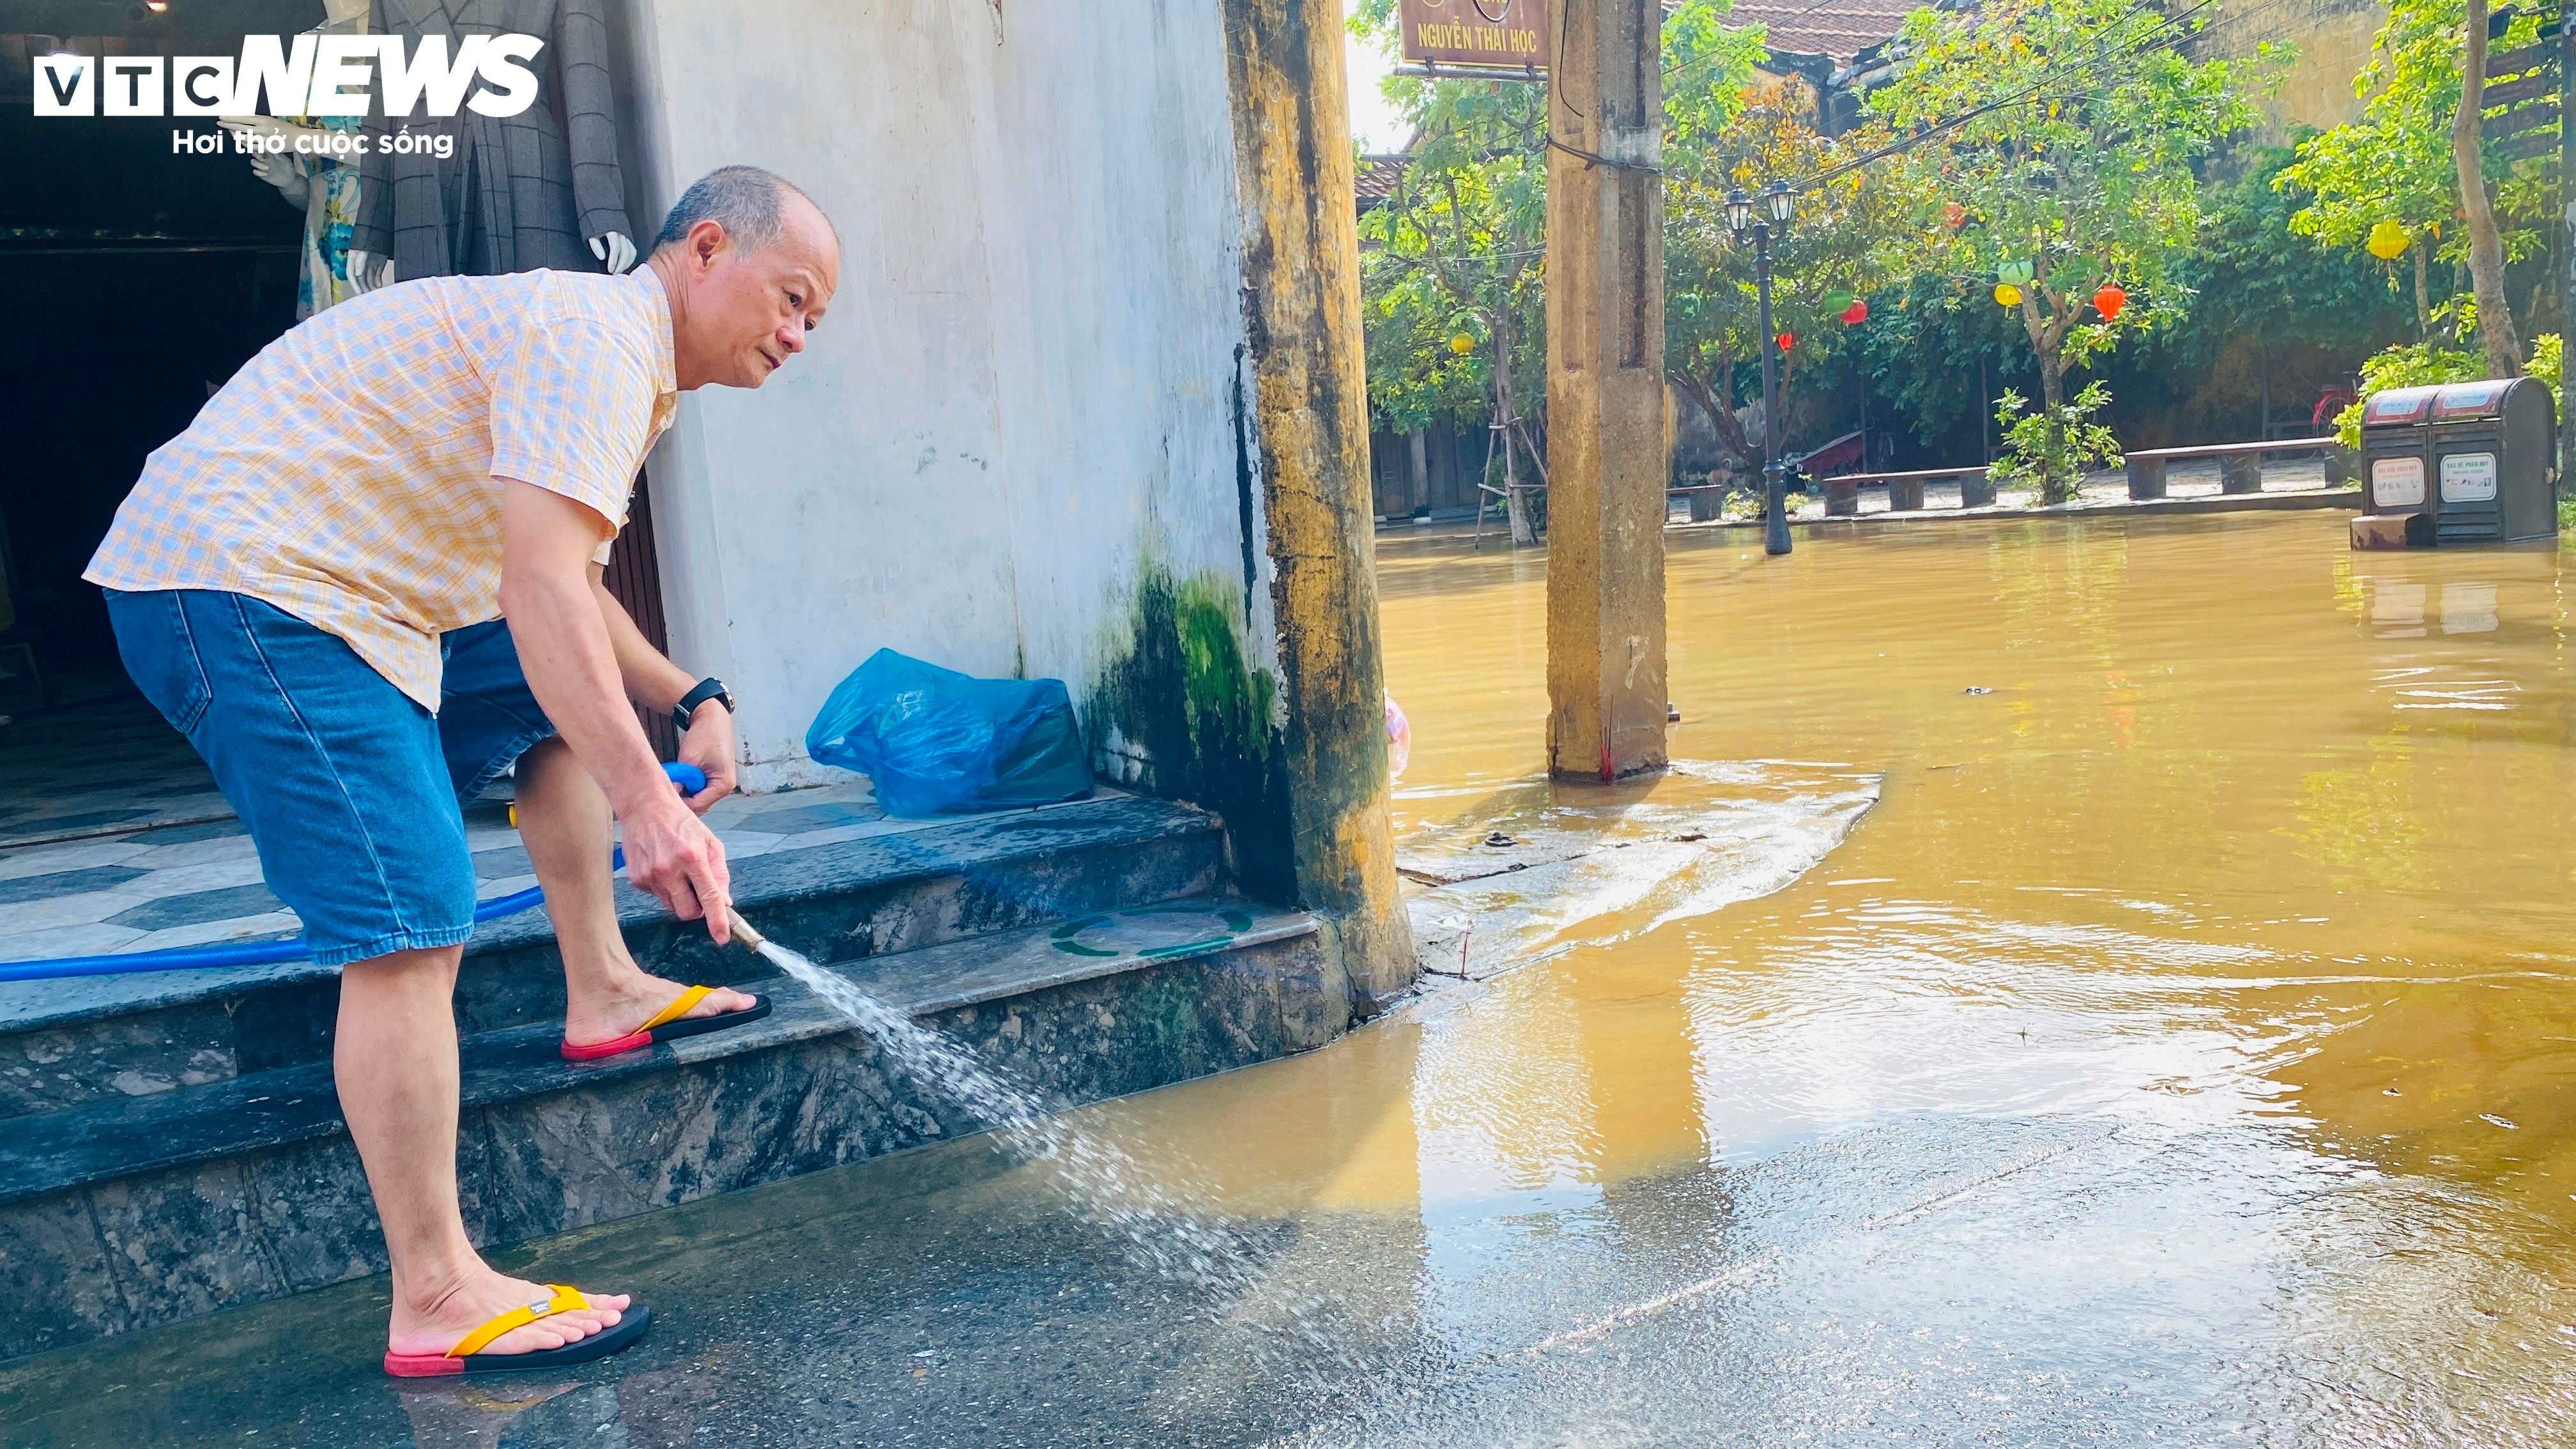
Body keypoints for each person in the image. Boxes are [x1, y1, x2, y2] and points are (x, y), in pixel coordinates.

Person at [83, 165, 839, 1376]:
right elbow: (541, 591)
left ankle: (603, 988)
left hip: (353, 581)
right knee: (410, 917)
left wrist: (686, 698)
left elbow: (566, 589)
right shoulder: (596, 339)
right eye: (792, 299)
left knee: (550, 704)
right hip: (249, 582)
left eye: (817, 319)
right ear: (706, 251)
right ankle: (434, 1293)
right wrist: (650, 805)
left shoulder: (620, 362)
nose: (800, 336)